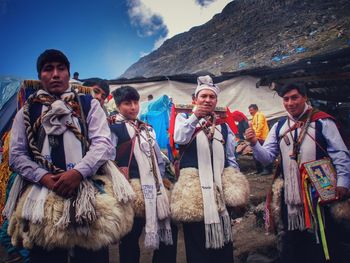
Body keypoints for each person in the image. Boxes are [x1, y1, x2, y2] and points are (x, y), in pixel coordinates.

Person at [8, 49, 115, 263]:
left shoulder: (88, 105)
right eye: (48, 69)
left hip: (87, 192)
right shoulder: (27, 112)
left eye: (61, 68)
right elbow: (16, 155)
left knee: (91, 254)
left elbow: (104, 144)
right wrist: (44, 177)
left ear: (68, 73)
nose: (55, 74)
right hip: (42, 197)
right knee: (47, 252)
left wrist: (78, 172)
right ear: (40, 77)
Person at [245, 82, 350, 263]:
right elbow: (267, 158)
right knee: (293, 239)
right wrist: (254, 143)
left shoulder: (322, 121)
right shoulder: (279, 127)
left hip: (320, 192)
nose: (290, 103)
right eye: (286, 99)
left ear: (305, 97)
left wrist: (343, 182)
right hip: (291, 197)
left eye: (295, 97)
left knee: (324, 239)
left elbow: (340, 154)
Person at [172, 75, 249, 263]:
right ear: (195, 100)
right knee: (197, 240)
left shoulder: (223, 127)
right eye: (203, 96)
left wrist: (235, 187)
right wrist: (195, 116)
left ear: (216, 101)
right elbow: (179, 138)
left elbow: (231, 159)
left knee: (223, 240)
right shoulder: (184, 119)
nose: (207, 100)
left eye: (211, 97)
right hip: (195, 194)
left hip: (218, 190)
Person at [110, 86, 176, 263]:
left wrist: (160, 179)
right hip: (131, 191)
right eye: (127, 103)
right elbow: (108, 160)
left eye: (135, 102)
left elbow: (157, 158)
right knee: (130, 238)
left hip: (154, 189)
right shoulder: (113, 129)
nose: (133, 107)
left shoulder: (146, 128)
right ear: (117, 105)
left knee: (166, 232)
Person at [248, 104, 272, 175]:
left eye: (251, 110)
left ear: (255, 109)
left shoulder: (259, 115)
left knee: (263, 153)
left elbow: (259, 126)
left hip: (262, 138)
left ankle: (268, 170)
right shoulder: (254, 116)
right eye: (249, 110)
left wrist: (256, 137)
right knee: (256, 155)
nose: (250, 112)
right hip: (258, 138)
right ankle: (259, 170)